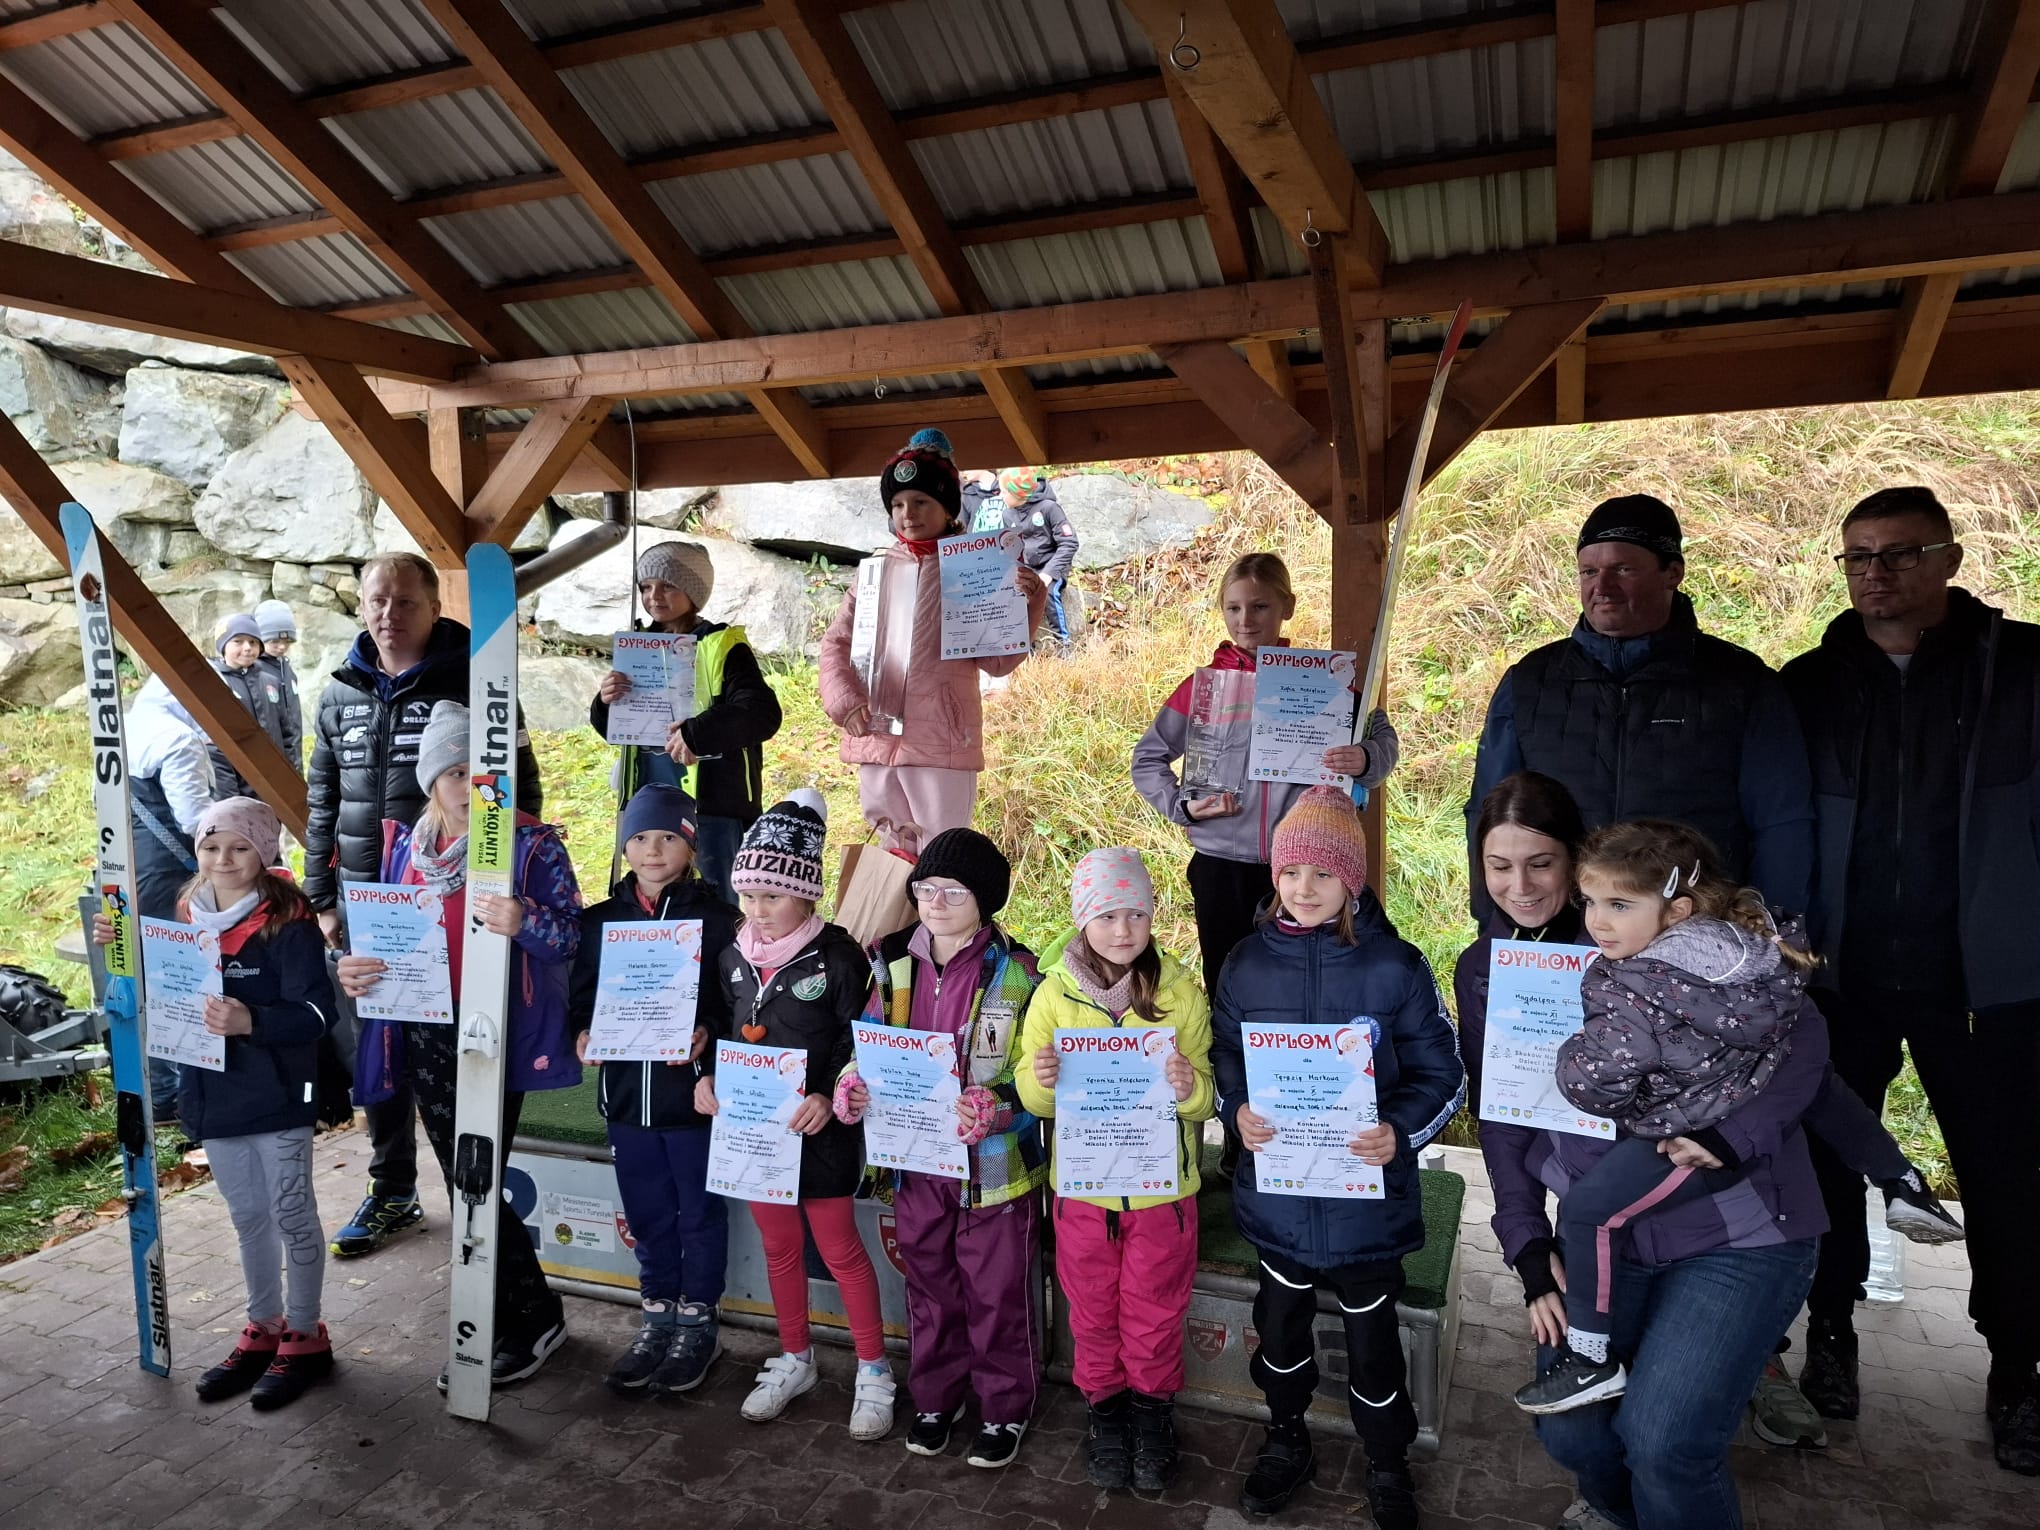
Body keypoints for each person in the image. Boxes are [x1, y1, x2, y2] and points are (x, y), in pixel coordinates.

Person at [1458, 773, 1829, 1530]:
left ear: (1577, 860)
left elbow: (1807, 1043)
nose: (1520, 886)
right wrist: (1528, 1248)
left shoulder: (1667, 938)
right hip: (1603, 1240)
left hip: (1733, 1228)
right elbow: (1502, 1120)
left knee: (1664, 1443)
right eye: (1499, 865)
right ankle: (1617, 1511)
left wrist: (1731, 1139)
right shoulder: (1485, 969)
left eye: (1541, 863)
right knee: (1571, 1433)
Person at [1511, 820, 1959, 1419]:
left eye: (1619, 905)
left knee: (1592, 1211)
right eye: (1590, 901)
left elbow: (1601, 1085)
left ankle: (1591, 1357)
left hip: (1685, 1136)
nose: (1597, 921)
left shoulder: (1629, 982)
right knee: (1819, 1084)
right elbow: (1799, 1040)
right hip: (1747, 1090)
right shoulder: (1750, 952)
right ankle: (1900, 1179)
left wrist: (1568, 1057)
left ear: (1677, 910)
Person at [1780, 485, 2040, 1474]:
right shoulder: (1809, 684)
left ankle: (2017, 1366)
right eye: (1859, 556)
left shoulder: (2022, 671)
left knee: (2006, 1175)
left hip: (1984, 982)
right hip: (1840, 976)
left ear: (1951, 560)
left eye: (1899, 553)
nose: (1876, 573)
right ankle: (1829, 1333)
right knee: (1825, 1164)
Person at [1209, 787, 1464, 1528]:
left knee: (1374, 1348)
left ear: (1352, 878)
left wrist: (1399, 1131)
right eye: (1290, 872)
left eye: (1323, 873)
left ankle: (1386, 1461)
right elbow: (1224, 1054)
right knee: (1279, 1334)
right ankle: (1285, 1436)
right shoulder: (1245, 964)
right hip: (1280, 1202)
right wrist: (1236, 1109)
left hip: (1367, 1211)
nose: (1304, 888)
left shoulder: (1396, 967)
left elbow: (1443, 1073)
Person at [334, 702, 580, 1388]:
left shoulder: (531, 844)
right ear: (431, 780)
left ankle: (526, 1318)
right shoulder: (405, 847)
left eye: (483, 771)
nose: (471, 785)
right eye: (454, 771)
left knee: (479, 1178)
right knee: (464, 1181)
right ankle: (516, 1311)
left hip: (497, 1030)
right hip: (424, 1030)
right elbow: (382, 940)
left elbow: (572, 937)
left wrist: (525, 919)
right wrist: (355, 968)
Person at [305, 551, 543, 1260]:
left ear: (435, 607)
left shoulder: (481, 680)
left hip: (455, 898)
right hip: (370, 902)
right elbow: (322, 798)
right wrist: (322, 898)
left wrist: (507, 882)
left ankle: (480, 1196)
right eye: (377, 600)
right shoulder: (338, 692)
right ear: (361, 605)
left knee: (459, 1042)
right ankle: (392, 1189)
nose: (389, 614)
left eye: (405, 601)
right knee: (378, 1044)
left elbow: (522, 788)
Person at [1131, 551, 1398, 1178]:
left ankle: (1313, 1129)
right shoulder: (1202, 687)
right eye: (1232, 607)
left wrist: (1365, 758)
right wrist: (1184, 807)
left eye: (1259, 606)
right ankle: (1238, 1135)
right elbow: (1147, 759)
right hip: (1220, 868)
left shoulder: (1326, 681)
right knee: (1232, 999)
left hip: (1300, 874)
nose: (1245, 619)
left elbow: (1382, 741)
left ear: (1287, 609)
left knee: (1307, 998)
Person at [1465, 495, 1815, 922]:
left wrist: (1771, 930)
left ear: (1673, 573)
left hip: (1695, 932)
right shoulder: (1530, 681)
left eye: (1623, 570)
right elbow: (1488, 816)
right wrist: (1494, 923)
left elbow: (1781, 824)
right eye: (1589, 572)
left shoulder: (1742, 683)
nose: (1602, 587)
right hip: (1565, 931)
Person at [95, 797, 334, 1409]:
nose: (223, 859)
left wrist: (252, 1019)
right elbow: (163, 986)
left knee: (291, 1214)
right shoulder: (183, 914)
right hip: (214, 1093)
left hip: (280, 1097)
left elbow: (318, 1015)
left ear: (264, 852)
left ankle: (305, 1334)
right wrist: (121, 945)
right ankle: (264, 1326)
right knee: (248, 1218)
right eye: (210, 846)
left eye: (239, 846)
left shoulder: (289, 921)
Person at [834, 827, 1045, 1468]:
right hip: (916, 1163)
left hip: (994, 1171)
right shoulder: (890, 962)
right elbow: (869, 1043)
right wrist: (851, 1084)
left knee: (998, 1292)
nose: (936, 902)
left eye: (954, 891)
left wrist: (997, 1107)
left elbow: (1039, 1078)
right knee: (929, 1286)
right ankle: (936, 1397)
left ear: (985, 898)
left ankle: (1005, 1407)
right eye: (926, 888)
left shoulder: (1020, 972)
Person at [694, 793, 895, 1441]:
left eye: (772, 897)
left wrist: (829, 1094)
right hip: (756, 1136)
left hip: (822, 1133)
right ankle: (795, 1357)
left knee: (839, 1250)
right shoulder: (731, 956)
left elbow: (859, 1036)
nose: (757, 910)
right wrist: (706, 1079)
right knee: (779, 1247)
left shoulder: (840, 957)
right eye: (749, 895)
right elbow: (720, 1029)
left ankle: (874, 1368)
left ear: (807, 895)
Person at [1014, 847, 1213, 1494]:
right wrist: (1041, 1080)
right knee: (1093, 1313)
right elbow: (1033, 1097)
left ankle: (1153, 1417)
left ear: (1153, 916)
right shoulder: (1052, 996)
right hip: (1083, 1197)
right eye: (1106, 915)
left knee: (1154, 1313)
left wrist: (1189, 1087)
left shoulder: (1180, 995)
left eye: (1136, 914)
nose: (1123, 930)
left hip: (1162, 1199)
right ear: (1081, 920)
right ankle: (1105, 1415)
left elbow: (1208, 1099)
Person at [568, 783, 739, 1397]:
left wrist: (708, 1034)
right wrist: (582, 1032)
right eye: (639, 837)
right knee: (646, 1214)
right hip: (624, 1103)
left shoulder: (719, 920)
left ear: (691, 846)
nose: (653, 850)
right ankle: (657, 1314)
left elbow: (733, 1002)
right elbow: (581, 997)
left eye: (668, 836)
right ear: (624, 845)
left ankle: (699, 1321)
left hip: (690, 1103)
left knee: (698, 1213)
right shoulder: (598, 921)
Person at [817, 430, 1047, 853]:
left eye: (921, 501)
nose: (908, 514)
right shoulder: (874, 573)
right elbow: (836, 644)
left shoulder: (978, 567)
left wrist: (1028, 602)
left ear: (947, 506)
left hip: (942, 742)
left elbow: (998, 662)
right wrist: (844, 702)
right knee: (889, 856)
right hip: (875, 739)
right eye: (898, 504)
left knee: (942, 855)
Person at [589, 541, 782, 903]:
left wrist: (697, 733)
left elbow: (761, 713)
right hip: (649, 802)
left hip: (712, 807)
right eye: (646, 587)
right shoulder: (637, 647)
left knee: (716, 905)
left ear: (694, 592)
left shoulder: (722, 645)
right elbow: (617, 730)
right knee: (652, 900)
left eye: (668, 585)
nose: (654, 596)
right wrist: (605, 703)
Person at [125, 674, 215, 1119]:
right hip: (170, 874)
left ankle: (159, 1092)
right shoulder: (178, 739)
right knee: (182, 980)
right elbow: (195, 819)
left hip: (132, 868)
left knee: (148, 980)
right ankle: (187, 1095)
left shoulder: (126, 728)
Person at [962, 468, 1081, 649]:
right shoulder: (1007, 514)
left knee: (1047, 593)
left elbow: (1069, 543)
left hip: (1051, 567)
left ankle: (1063, 644)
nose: (1000, 496)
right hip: (1026, 568)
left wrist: (1049, 573)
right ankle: (1026, 648)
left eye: (1004, 492)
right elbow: (1010, 549)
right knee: (1011, 595)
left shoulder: (1049, 508)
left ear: (1017, 493)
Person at [208, 613, 300, 796]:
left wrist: (292, 779)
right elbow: (215, 748)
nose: (247, 648)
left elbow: (287, 735)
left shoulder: (270, 681)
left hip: (276, 784)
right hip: (238, 786)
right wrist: (230, 798)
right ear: (223, 645)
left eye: (253, 642)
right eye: (238, 641)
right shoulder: (215, 683)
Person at [254, 598, 304, 771]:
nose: (282, 647)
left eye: (287, 641)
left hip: (293, 756)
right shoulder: (255, 672)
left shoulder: (286, 668)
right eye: (274, 641)